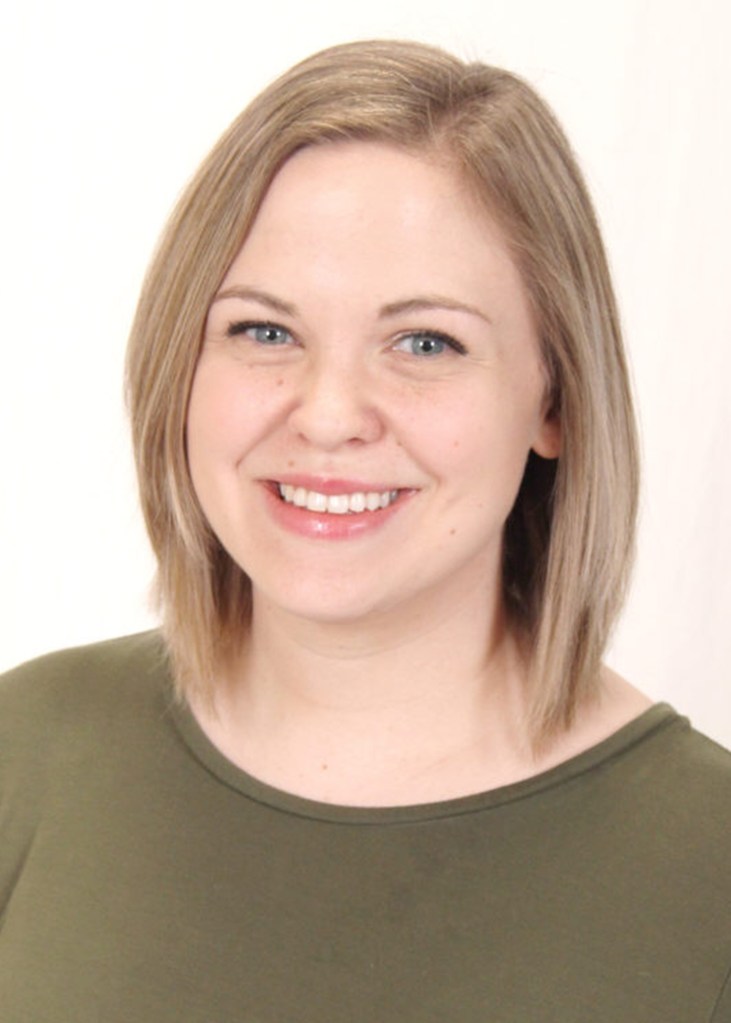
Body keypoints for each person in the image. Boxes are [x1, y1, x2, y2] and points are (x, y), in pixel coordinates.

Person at [1, 39, 729, 1022]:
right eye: (264, 331)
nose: (329, 413)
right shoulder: (27, 754)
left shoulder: (704, 863)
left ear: (552, 400)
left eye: (424, 342)